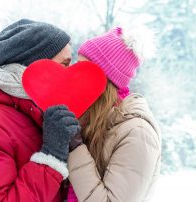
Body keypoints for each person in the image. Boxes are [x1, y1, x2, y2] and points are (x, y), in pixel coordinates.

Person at [0, 19, 80, 202]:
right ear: (34, 67)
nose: (71, 73)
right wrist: (51, 157)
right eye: (64, 64)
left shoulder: (34, 114)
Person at [67, 27, 161, 202]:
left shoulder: (138, 133)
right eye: (76, 64)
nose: (74, 73)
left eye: (84, 67)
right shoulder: (90, 119)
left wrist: (75, 148)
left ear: (105, 81)